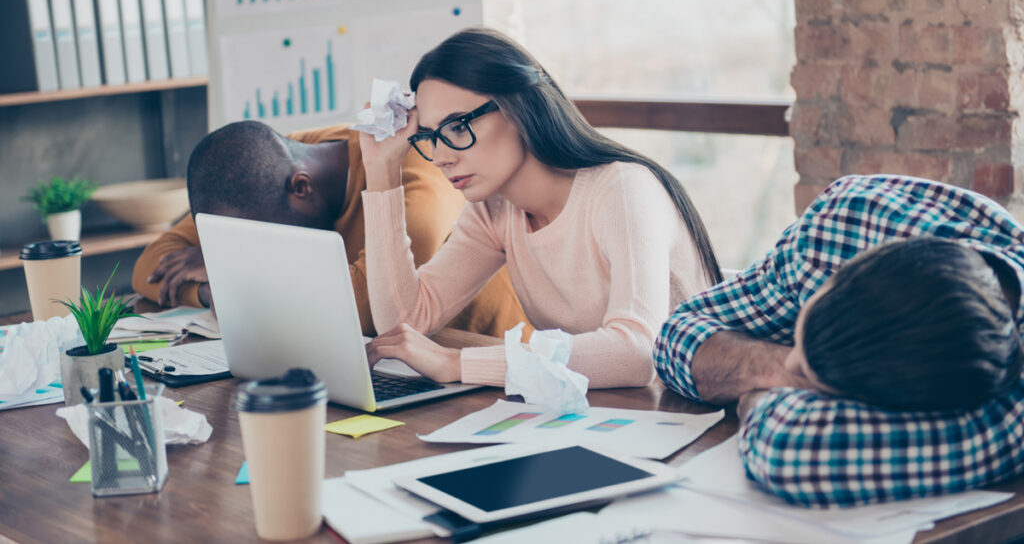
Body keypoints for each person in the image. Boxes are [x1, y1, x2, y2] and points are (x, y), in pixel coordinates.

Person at [358, 27, 721, 388]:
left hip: (685, 415)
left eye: (456, 127)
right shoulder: (494, 211)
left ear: (518, 107)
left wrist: (457, 363)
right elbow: (403, 324)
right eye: (430, 137)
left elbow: (637, 352)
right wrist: (382, 171)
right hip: (596, 413)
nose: (440, 157)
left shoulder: (622, 191)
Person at [655, 174, 1024, 507]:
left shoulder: (1004, 401)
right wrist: (787, 375)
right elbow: (676, 338)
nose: (791, 362)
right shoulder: (844, 228)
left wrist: (762, 394)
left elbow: (791, 451)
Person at [131, 121, 529, 338]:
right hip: (399, 362)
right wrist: (209, 289)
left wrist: (233, 275)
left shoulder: (416, 172)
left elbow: (363, 311)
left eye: (260, 241)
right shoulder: (266, 169)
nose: (250, 253)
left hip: (491, 361)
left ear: (301, 188)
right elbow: (150, 265)